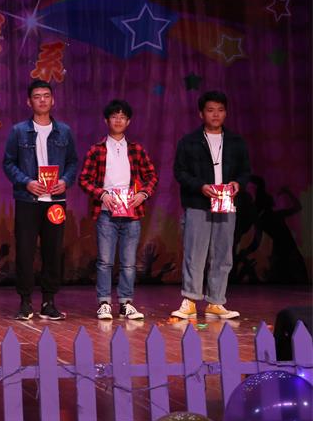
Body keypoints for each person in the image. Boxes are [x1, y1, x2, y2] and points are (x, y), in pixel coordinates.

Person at [2, 80, 78, 321]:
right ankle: (25, 302)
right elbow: (8, 163)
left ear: (53, 100)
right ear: (29, 101)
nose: (42, 100)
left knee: (52, 251)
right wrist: (26, 182)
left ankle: (48, 301)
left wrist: (65, 180)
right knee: (25, 251)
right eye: (37, 96)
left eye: (46, 95)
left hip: (55, 201)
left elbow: (73, 162)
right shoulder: (18, 131)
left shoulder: (64, 131)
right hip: (28, 200)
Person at [172, 91, 251, 320]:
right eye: (210, 110)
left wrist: (238, 183)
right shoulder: (189, 141)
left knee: (223, 254)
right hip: (198, 203)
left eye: (220, 110)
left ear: (225, 113)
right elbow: (180, 172)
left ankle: (216, 301)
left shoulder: (236, 142)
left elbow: (245, 171)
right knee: (195, 253)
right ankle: (189, 300)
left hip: (226, 202)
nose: (215, 114)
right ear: (201, 114)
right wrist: (200, 186)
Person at [78, 100, 157, 321]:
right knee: (105, 261)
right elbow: (83, 179)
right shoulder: (97, 150)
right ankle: (104, 303)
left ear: (128, 121)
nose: (118, 120)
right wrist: (102, 194)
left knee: (129, 263)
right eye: (114, 116)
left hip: (132, 214)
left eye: (123, 117)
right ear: (106, 120)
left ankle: (126, 303)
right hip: (106, 213)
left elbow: (151, 176)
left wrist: (143, 194)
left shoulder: (136, 149)